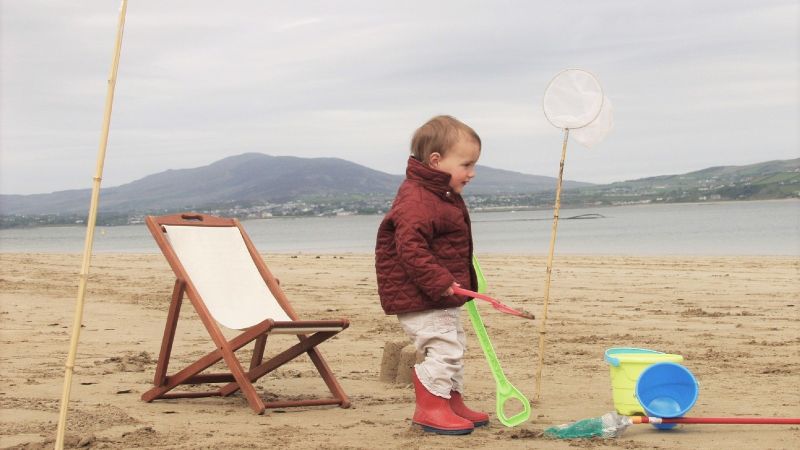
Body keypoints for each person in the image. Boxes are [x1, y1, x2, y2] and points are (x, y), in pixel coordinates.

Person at [375, 115, 487, 435]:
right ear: (436, 161)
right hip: (422, 295)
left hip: (440, 293)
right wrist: (441, 281)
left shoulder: (439, 193)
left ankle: (450, 399)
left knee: (454, 344)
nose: (472, 172)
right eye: (466, 164)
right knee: (444, 347)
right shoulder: (417, 197)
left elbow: (444, 242)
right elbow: (410, 247)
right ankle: (431, 407)